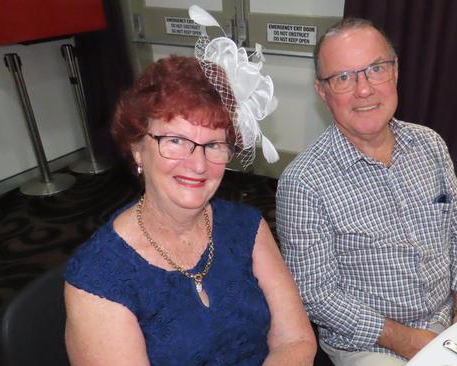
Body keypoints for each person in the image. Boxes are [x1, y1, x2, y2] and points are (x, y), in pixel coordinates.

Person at [63, 54, 316, 365]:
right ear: (137, 148)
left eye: (213, 145)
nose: (198, 164)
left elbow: (296, 341)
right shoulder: (98, 278)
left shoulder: (246, 227)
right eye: (176, 141)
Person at [276, 18, 457, 365]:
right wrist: (406, 341)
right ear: (322, 92)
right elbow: (316, 295)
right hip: (371, 344)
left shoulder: (430, 145)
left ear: (396, 72)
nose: (363, 89)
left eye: (375, 69)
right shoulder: (303, 182)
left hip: (450, 317)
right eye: (343, 77)